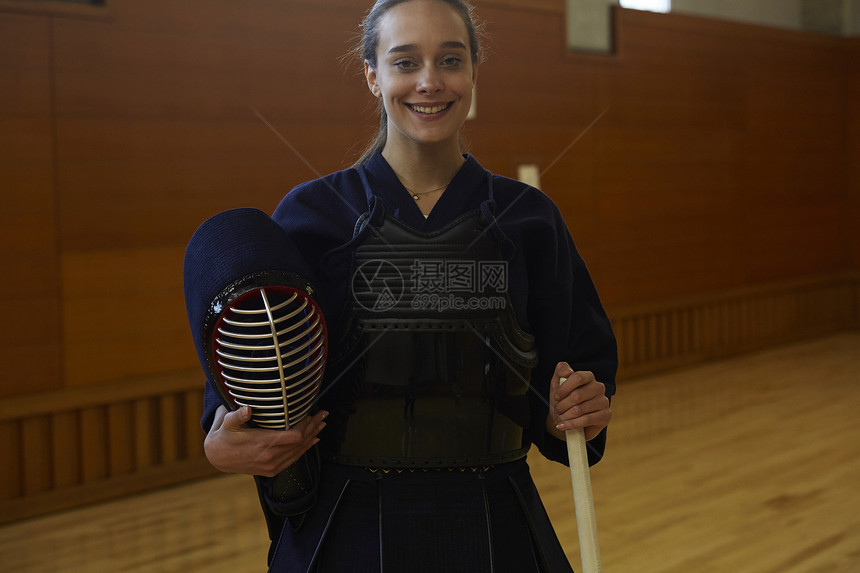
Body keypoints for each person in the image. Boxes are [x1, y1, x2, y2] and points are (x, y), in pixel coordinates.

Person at [199, 0, 616, 571]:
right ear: (372, 74)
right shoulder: (310, 216)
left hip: (496, 522)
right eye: (404, 62)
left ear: (473, 71)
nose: (429, 82)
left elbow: (577, 371)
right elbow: (246, 365)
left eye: (450, 59)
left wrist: (573, 409)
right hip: (345, 526)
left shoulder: (530, 219)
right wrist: (222, 441)